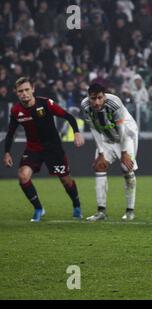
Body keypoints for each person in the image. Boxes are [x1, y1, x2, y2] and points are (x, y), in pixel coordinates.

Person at [3, 77, 85, 222]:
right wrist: (7, 152)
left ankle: (77, 205)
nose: (24, 93)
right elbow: (11, 132)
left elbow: (68, 116)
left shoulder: (46, 104)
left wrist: (77, 132)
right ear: (17, 93)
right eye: (20, 91)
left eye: (27, 90)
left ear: (33, 89)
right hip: (33, 148)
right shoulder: (16, 110)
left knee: (65, 180)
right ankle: (38, 208)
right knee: (23, 176)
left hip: (53, 148)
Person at [80, 83, 139, 221]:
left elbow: (122, 129)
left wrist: (124, 152)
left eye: (100, 98)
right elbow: (93, 128)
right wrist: (100, 152)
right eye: (93, 98)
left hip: (127, 136)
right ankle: (101, 211)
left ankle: (130, 211)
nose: (96, 102)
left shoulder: (114, 103)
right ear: (89, 97)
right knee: (99, 166)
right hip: (106, 137)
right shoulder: (85, 106)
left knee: (127, 168)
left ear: (104, 96)